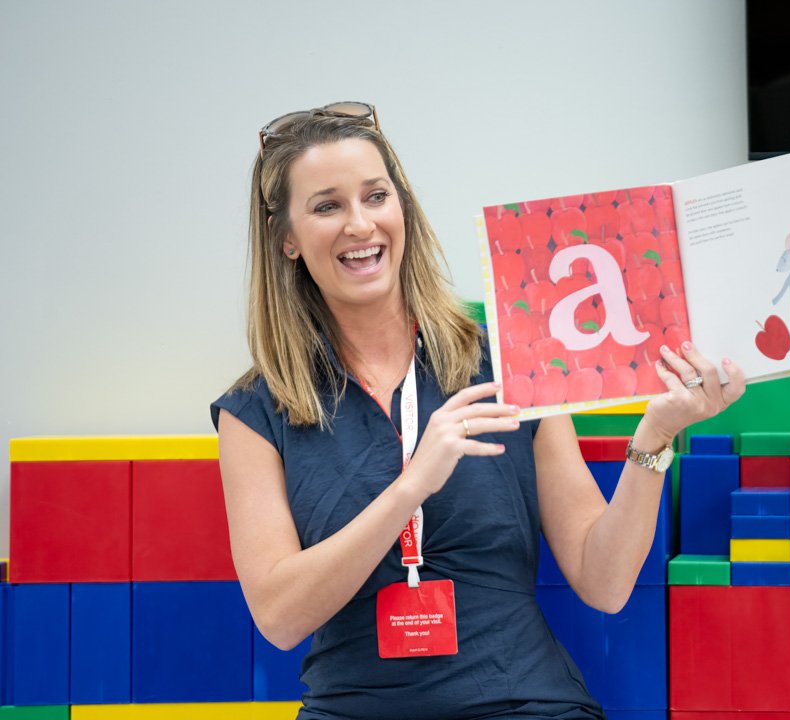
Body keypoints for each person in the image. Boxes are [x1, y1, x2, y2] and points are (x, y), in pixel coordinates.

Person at [211, 101, 746, 720]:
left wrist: (657, 434)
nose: (360, 224)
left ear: (402, 207)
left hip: (526, 703)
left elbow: (605, 583)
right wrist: (411, 486)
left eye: (376, 196)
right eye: (327, 206)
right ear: (287, 240)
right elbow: (279, 617)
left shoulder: (513, 358)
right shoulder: (256, 411)